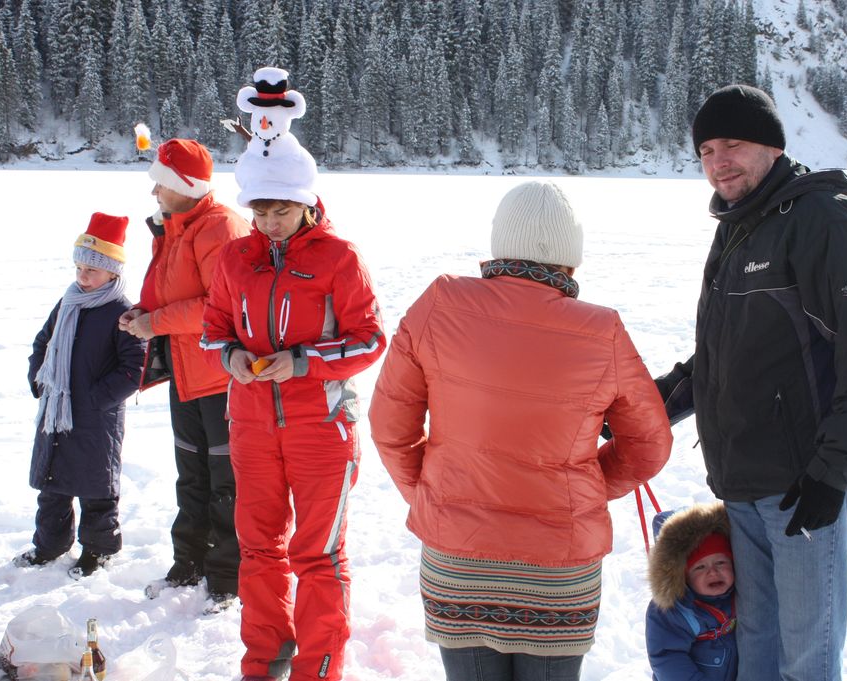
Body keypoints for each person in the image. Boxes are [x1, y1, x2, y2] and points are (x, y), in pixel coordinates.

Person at [369, 180, 674, 681]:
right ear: (570, 260)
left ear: (499, 245)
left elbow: (389, 427)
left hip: (458, 561)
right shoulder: (603, 331)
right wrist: (585, 491)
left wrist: (431, 496)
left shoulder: (439, 303)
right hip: (560, 567)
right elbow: (650, 445)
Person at [654, 84, 847, 681]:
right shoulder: (739, 227)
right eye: (706, 151)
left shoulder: (823, 220)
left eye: (733, 145)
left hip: (803, 488)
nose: (718, 162)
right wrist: (647, 407)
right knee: (758, 651)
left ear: (772, 146)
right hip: (743, 484)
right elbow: (722, 357)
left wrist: (832, 472)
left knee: (805, 659)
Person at [200, 67, 386, 681]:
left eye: (282, 210)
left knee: (317, 553)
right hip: (251, 425)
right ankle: (263, 658)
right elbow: (212, 327)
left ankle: (318, 666)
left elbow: (369, 340)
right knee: (258, 550)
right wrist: (231, 358)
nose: (271, 222)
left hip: (320, 427)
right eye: (261, 212)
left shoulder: (339, 258)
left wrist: (302, 361)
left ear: (306, 204)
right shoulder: (235, 257)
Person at [118, 138, 251, 609]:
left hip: (219, 377)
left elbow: (220, 306)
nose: (154, 192)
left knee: (225, 481)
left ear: (186, 186)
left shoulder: (220, 228)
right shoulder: (175, 228)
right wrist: (142, 312)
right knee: (191, 475)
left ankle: (226, 578)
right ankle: (188, 563)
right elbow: (167, 292)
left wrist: (155, 322)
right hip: (185, 373)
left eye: (161, 183)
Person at [15, 213, 145, 579]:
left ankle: (98, 550)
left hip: (95, 417)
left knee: (96, 486)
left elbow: (135, 367)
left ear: (112, 273)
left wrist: (94, 399)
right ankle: (50, 544)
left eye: (92, 269)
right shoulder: (68, 302)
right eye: (79, 268)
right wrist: (41, 380)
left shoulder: (122, 312)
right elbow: (43, 343)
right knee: (52, 483)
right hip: (56, 409)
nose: (82, 276)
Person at [646, 502, 736, 681]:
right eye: (700, 567)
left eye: (720, 562)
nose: (713, 572)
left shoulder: (742, 595)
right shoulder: (674, 611)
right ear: (684, 577)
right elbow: (668, 658)